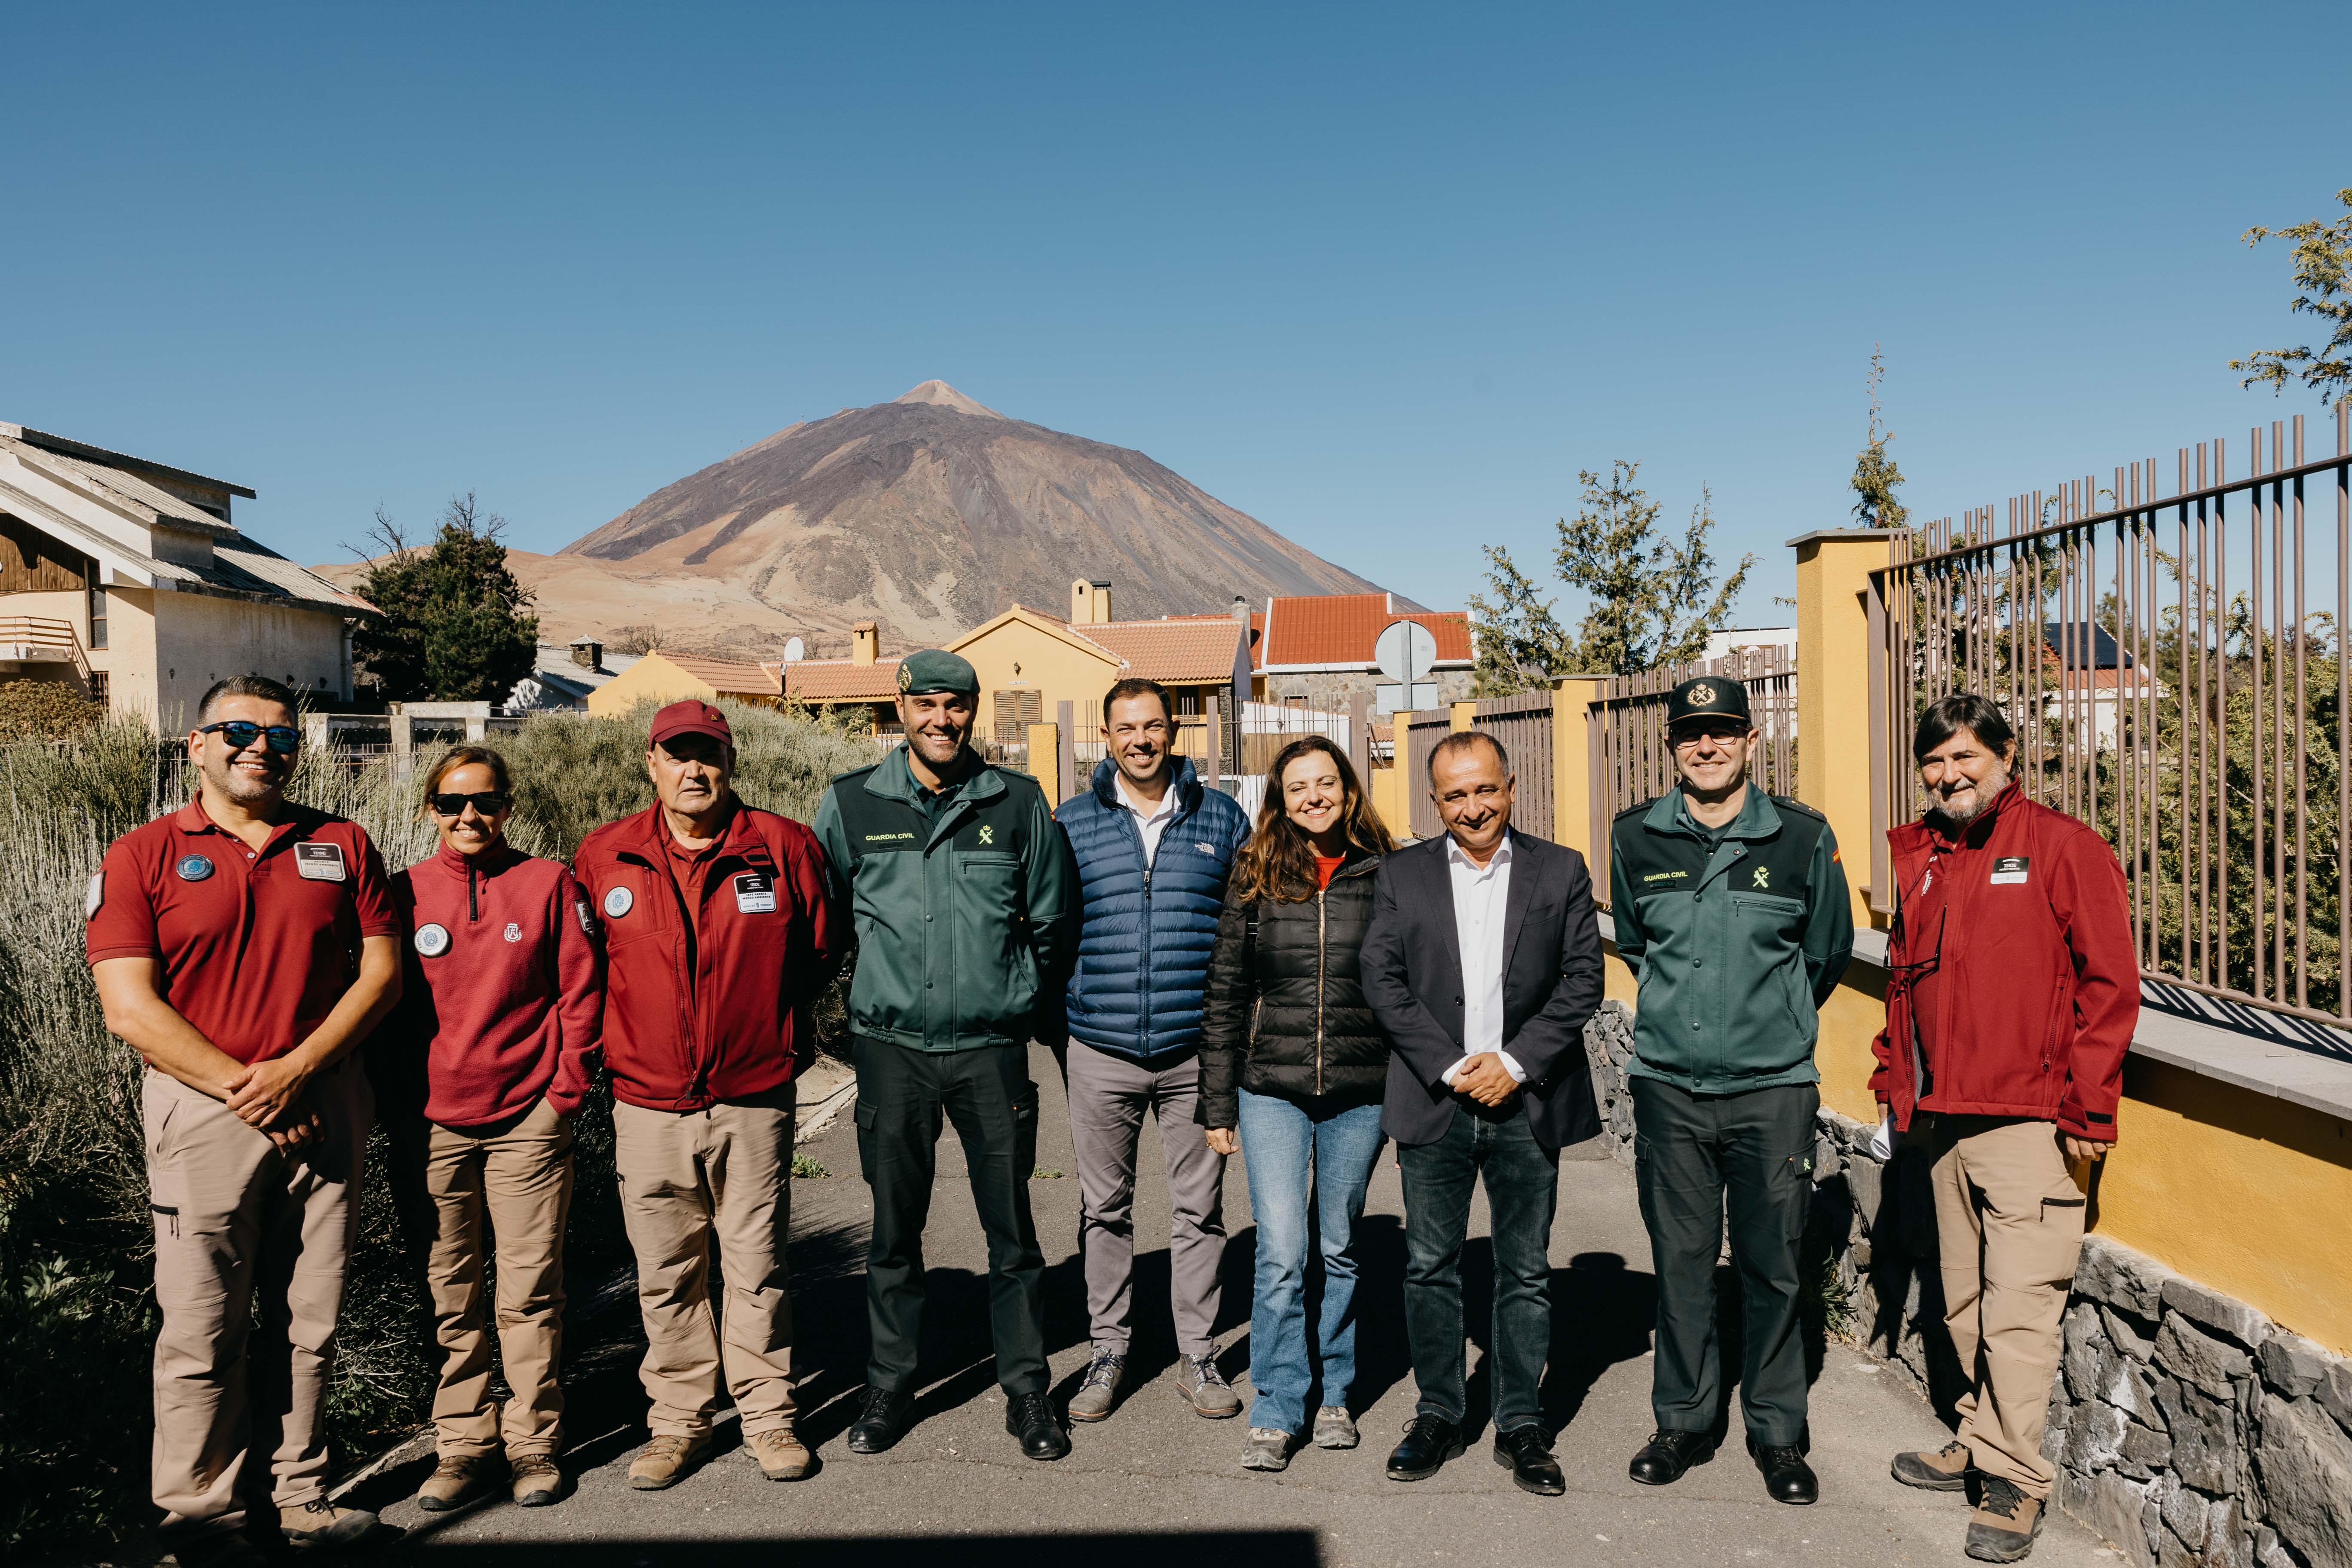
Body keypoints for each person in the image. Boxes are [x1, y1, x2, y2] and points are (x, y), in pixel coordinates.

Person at [88, 676, 403, 1563]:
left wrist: (299, 1070)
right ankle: (202, 1518)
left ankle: (301, 1496)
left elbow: (381, 976)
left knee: (314, 1315)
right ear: (196, 746)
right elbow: (129, 1008)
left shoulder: (341, 844)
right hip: (202, 1112)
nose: (260, 746)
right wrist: (249, 1088)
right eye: (238, 730)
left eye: (280, 735)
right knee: (200, 1323)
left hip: (325, 1101)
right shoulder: (143, 855)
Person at [1876, 693, 2135, 1564]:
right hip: (1943, 1118)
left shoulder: (2066, 848)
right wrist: (1895, 1082)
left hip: (2032, 1123)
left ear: (2006, 754)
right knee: (1959, 1305)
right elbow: (1904, 984)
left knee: (2020, 1313)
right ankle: (1976, 1437)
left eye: (1965, 759)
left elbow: (2110, 988)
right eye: (1935, 762)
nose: (1949, 775)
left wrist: (2090, 1107)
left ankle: (2016, 1481)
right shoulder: (1924, 856)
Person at [572, 700, 843, 1490]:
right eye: (677, 755)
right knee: (666, 1271)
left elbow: (820, 949)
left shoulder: (783, 847)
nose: (695, 770)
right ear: (650, 764)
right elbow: (587, 966)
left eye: (709, 755)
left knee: (756, 1265)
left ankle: (767, 1417)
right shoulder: (605, 855)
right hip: (648, 1102)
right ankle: (679, 1423)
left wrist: (762, 1022)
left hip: (751, 1097)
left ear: (731, 762)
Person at [814, 650, 1078, 1461]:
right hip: (893, 1055)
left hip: (991, 1054)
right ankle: (891, 1383)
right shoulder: (852, 804)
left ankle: (1028, 1391)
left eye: (955, 706)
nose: (941, 720)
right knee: (895, 1233)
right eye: (925, 704)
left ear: (974, 711)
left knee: (1014, 1233)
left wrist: (1018, 1000)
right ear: (900, 707)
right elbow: (825, 925)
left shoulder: (1018, 803)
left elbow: (1053, 923)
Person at [1607, 676, 1853, 1506]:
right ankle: (1684, 1420)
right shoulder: (1635, 836)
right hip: (1671, 1086)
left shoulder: (1801, 839)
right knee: (1679, 1264)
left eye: (1722, 732)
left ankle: (1778, 1434)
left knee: (1773, 1263)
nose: (1705, 746)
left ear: (1752, 740)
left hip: (1771, 1088)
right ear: (1671, 745)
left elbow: (1822, 956)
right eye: (1689, 734)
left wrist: (1766, 1022)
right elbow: (1641, 950)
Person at [1361, 729, 1602, 1497]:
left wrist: (1515, 1063)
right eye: (1456, 795)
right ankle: (1438, 1413)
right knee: (1429, 1266)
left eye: (1485, 789)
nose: (1473, 808)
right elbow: (1384, 979)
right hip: (1435, 1100)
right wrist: (1452, 1064)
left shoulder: (1559, 869)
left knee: (1524, 1268)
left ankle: (1521, 1421)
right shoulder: (1400, 875)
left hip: (1526, 1102)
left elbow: (1582, 979)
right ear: (1436, 802)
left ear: (1511, 786)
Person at [384, 745, 602, 1513]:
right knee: (452, 1292)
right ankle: (464, 1446)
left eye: (486, 801)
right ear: (429, 810)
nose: (470, 816)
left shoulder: (547, 884)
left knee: (529, 1291)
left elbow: (581, 994)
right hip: (433, 1128)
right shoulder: (401, 894)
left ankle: (535, 1441)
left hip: (527, 1124)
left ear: (508, 805)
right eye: (452, 803)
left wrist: (563, 1095)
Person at [1050, 678, 1252, 1423]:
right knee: (1104, 1209)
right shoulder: (1070, 823)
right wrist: (1064, 1025)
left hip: (1193, 1053)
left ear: (1175, 733)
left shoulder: (1222, 819)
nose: (1141, 740)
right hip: (1099, 1049)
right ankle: (1109, 1350)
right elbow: (1049, 934)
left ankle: (1197, 1355)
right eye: (1126, 728)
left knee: (1199, 1211)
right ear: (1105, 739)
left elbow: (1248, 933)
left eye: (1154, 727)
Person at [1197, 735, 1397, 1473]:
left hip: (1360, 1090)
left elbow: (1409, 990)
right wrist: (1218, 1103)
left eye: (1326, 783)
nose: (1313, 797)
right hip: (1270, 1090)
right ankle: (1279, 1406)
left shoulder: (1390, 873)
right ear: (1279, 800)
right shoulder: (1253, 875)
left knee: (1339, 1246)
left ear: (1348, 789)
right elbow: (1225, 995)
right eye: (1297, 787)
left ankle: (1337, 1393)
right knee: (1282, 1251)